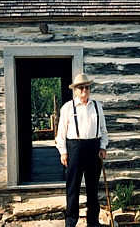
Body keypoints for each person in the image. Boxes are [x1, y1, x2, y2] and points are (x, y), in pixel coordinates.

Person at [56, 73, 108, 227]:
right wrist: (63, 152)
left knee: (92, 187)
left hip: (93, 148)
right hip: (75, 148)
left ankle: (92, 221)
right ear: (75, 91)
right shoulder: (68, 107)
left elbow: (104, 131)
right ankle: (71, 222)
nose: (84, 90)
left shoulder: (97, 106)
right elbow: (61, 133)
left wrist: (102, 147)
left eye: (86, 87)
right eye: (81, 88)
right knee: (73, 187)